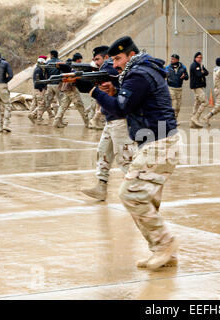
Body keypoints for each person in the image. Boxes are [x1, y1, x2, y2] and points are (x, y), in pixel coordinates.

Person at [90, 36, 180, 271]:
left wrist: (94, 92)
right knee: (147, 199)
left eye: (118, 58)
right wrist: (114, 89)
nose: (116, 64)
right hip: (156, 141)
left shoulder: (139, 73)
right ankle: (163, 253)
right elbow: (131, 100)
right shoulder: (142, 70)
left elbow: (121, 107)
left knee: (130, 193)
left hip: (160, 143)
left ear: (131, 55)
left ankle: (165, 244)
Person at [81, 45, 136, 201]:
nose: (95, 62)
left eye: (97, 59)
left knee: (125, 158)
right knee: (103, 151)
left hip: (119, 120)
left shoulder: (111, 69)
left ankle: (137, 191)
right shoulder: (109, 69)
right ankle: (101, 187)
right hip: (110, 119)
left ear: (106, 58)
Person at [53, 52, 89, 128]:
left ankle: (56, 122)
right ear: (78, 59)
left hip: (67, 88)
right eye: (80, 59)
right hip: (71, 88)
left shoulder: (71, 65)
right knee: (80, 105)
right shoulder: (72, 66)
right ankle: (87, 123)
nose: (81, 61)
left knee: (63, 106)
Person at [28, 55, 54, 125]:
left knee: (41, 103)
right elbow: (38, 81)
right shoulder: (38, 70)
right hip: (39, 89)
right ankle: (36, 117)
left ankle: (35, 115)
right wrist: (41, 89)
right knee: (41, 104)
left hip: (38, 89)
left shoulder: (38, 69)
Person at [165, 54, 188, 122]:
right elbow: (163, 76)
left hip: (179, 89)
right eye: (171, 59)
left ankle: (175, 118)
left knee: (178, 107)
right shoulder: (167, 68)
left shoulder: (183, 67)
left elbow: (187, 77)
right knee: (174, 106)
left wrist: (184, 76)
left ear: (177, 60)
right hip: (171, 88)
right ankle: (172, 120)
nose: (171, 60)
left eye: (173, 59)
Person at [189, 52, 209, 128]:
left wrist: (202, 71)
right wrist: (202, 71)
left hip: (200, 86)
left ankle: (192, 123)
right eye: (199, 57)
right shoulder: (194, 65)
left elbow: (207, 72)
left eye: (201, 57)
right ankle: (195, 118)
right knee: (205, 102)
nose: (200, 59)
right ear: (195, 58)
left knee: (197, 104)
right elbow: (199, 74)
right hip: (196, 87)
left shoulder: (200, 65)